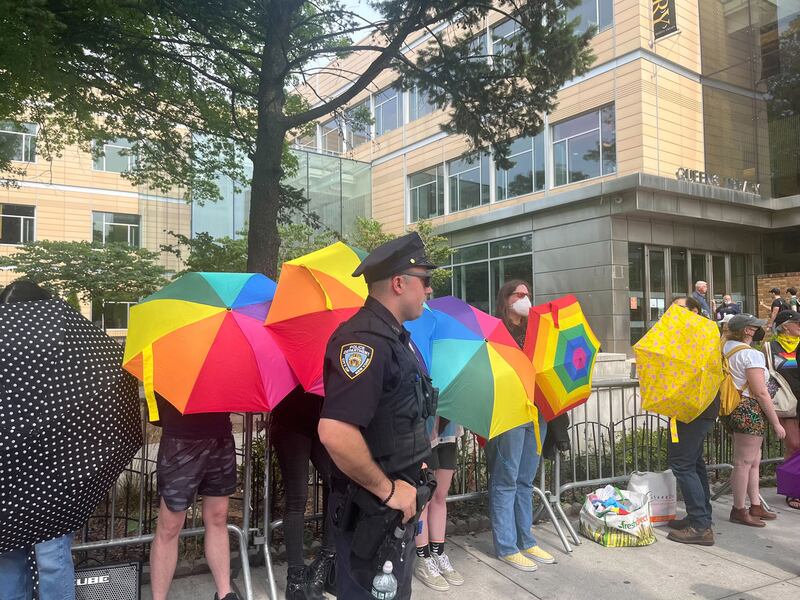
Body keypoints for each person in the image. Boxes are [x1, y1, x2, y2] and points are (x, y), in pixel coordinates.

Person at [318, 232, 437, 599]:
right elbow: (335, 431)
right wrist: (389, 492)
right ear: (399, 283)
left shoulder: (395, 336)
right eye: (425, 281)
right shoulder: (365, 340)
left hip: (392, 511)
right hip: (372, 509)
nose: (429, 291)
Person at [0, 281, 78, 600]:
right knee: (25, 556)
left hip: (50, 471)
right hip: (19, 471)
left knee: (43, 556)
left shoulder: (62, 355)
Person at [486, 280, 551, 572]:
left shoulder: (535, 331)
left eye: (528, 294)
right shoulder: (495, 330)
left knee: (525, 479)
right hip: (509, 412)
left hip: (536, 412)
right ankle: (507, 546)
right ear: (507, 298)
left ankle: (526, 539)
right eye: (519, 294)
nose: (525, 298)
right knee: (506, 479)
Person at [149, 393, 239, 600]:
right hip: (181, 438)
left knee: (218, 516)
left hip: (219, 435)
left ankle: (225, 592)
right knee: (170, 524)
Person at [721, 314, 786, 527]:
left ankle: (755, 505)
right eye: (756, 327)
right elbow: (761, 392)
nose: (762, 329)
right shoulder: (750, 355)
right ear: (747, 331)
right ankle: (739, 509)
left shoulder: (725, 348)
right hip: (749, 409)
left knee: (752, 460)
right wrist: (776, 422)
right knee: (744, 463)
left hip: (732, 407)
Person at [270, 387, 335, 599]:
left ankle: (325, 564)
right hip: (291, 420)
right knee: (297, 497)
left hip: (323, 419)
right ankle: (295, 578)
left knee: (338, 484)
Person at [666, 308, 721, 546]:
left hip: (692, 413)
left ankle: (700, 525)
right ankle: (700, 516)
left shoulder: (693, 345)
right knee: (695, 463)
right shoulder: (705, 340)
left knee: (682, 464)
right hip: (700, 412)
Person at [413, 417, 464, 592]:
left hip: (449, 430)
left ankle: (438, 552)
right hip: (424, 429)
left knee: (440, 495)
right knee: (424, 497)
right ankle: (422, 557)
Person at [763, 310, 800, 510]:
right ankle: (793, 490)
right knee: (794, 445)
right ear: (786, 325)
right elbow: (766, 375)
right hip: (787, 402)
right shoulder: (770, 347)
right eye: (798, 322)